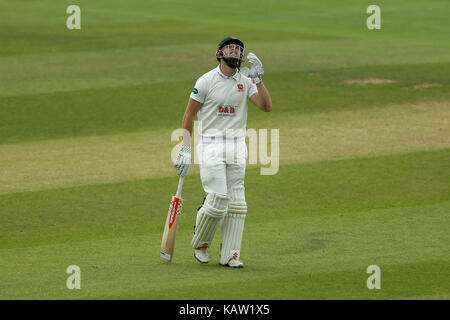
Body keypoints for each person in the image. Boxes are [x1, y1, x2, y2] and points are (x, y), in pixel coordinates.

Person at [174, 36, 272, 268]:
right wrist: (185, 148)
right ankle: (201, 241)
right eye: (230, 48)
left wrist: (258, 79)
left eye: (239, 49)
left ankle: (230, 254)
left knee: (237, 204)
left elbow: (266, 106)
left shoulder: (246, 81)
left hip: (237, 145)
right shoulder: (206, 80)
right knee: (218, 200)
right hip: (210, 143)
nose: (235, 52)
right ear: (219, 53)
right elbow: (188, 116)